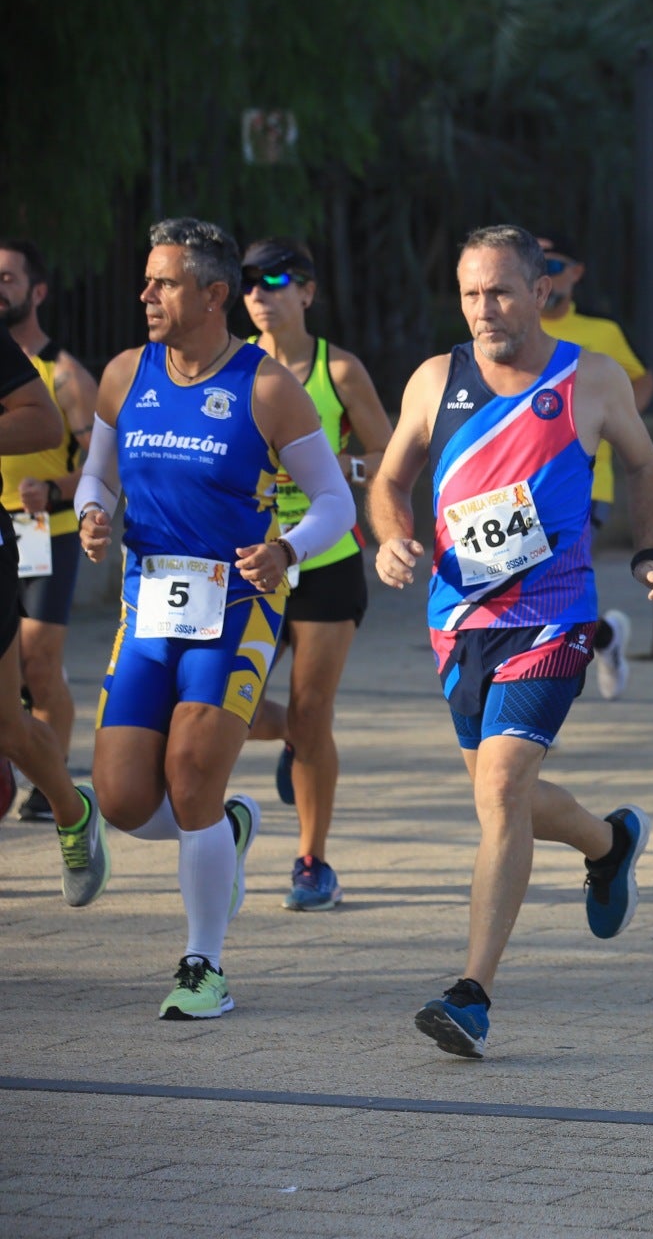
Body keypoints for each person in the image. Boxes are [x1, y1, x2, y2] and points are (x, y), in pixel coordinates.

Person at [369, 224, 653, 1058]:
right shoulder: (438, 380)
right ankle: (609, 844)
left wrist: (648, 553)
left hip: (552, 615)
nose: (483, 309)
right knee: (498, 792)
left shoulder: (590, 378)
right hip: (458, 621)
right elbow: (390, 479)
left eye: (500, 291)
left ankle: (472, 993)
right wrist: (392, 536)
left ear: (540, 290)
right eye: (471, 294)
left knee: (502, 788)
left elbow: (647, 468)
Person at [77, 217, 356, 1017]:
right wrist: (95, 514)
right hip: (148, 606)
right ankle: (225, 832)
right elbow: (95, 477)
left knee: (192, 775)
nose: (146, 295)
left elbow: (335, 499)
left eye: (163, 282)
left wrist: (290, 551)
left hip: (236, 606)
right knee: (127, 799)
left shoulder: (266, 386)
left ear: (213, 295)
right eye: (147, 279)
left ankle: (204, 964)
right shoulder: (126, 374)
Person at [229, 237, 391, 912]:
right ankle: (298, 746)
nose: (261, 294)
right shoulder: (229, 367)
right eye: (248, 283)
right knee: (217, 708)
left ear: (307, 292)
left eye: (275, 279)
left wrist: (338, 475)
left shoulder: (338, 370)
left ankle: (311, 860)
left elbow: (385, 452)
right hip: (247, 563)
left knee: (312, 708)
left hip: (324, 559)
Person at [0, 239, 98, 820]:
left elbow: (103, 467)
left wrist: (56, 489)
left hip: (44, 528)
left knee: (38, 662)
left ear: (36, 291)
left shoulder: (63, 376)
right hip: (2, 520)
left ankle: (50, 781)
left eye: (9, 278)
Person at [537, 232, 652, 701]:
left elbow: (641, 380)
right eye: (536, 265)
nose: (546, 274)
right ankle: (603, 637)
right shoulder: (517, 333)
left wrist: (620, 423)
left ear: (577, 272)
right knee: (536, 587)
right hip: (519, 487)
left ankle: (530, 701)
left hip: (588, 481)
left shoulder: (601, 334)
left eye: (555, 264)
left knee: (547, 583)